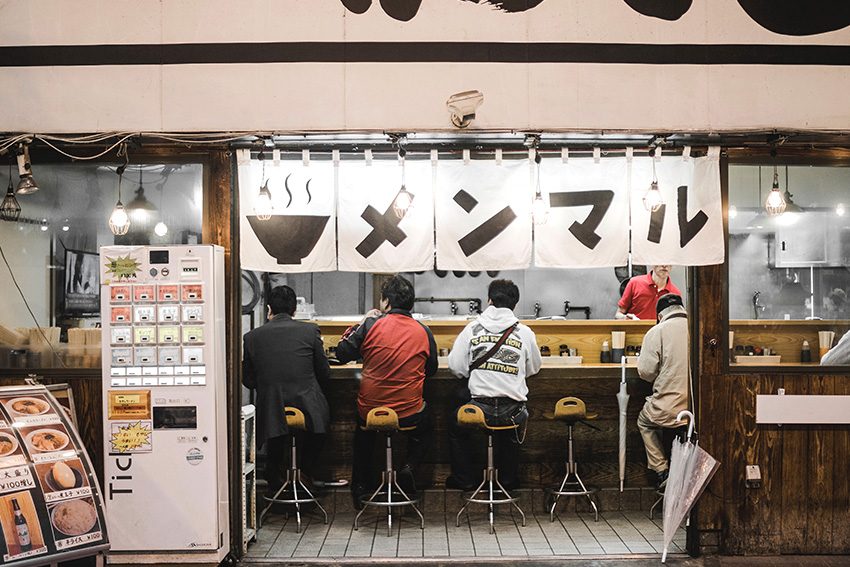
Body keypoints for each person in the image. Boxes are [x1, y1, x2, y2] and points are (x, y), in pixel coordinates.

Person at [336, 275, 438, 508]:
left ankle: (360, 486)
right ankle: (408, 468)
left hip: (371, 410)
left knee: (364, 431)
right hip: (409, 413)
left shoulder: (371, 325)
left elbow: (342, 352)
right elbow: (431, 370)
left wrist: (363, 321)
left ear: (385, 302)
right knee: (426, 428)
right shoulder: (424, 331)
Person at [445, 279, 543, 491]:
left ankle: (465, 480)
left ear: (489, 300)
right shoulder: (525, 333)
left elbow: (456, 367)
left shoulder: (472, 329)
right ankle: (507, 481)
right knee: (513, 426)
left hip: (479, 409)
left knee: (456, 426)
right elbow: (534, 368)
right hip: (512, 411)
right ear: (515, 305)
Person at [242, 285, 331, 494]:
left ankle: (273, 469)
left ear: (269, 310)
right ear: (294, 311)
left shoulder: (251, 337)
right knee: (322, 420)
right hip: (307, 407)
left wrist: (269, 384)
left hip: (271, 409)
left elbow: (248, 379)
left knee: (276, 415)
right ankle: (304, 472)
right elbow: (324, 372)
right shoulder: (310, 331)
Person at [636, 293, 690, 491]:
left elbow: (646, 373)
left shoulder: (656, 332)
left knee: (645, 422)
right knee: (685, 431)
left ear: (660, 315)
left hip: (667, 408)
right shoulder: (699, 328)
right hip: (694, 410)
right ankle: (685, 473)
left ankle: (662, 471)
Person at [615, 265, 681, 320]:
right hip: (636, 333)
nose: (664, 265)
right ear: (652, 263)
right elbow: (618, 314)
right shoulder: (634, 283)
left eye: (668, 262)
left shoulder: (675, 293)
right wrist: (625, 318)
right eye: (660, 261)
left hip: (660, 334)